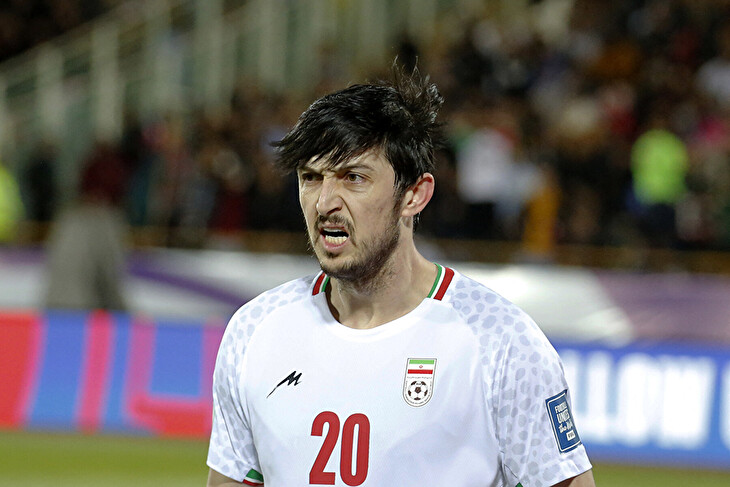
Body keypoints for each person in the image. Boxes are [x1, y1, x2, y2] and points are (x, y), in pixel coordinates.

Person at [206, 67, 595, 487]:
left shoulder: (501, 342)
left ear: (414, 195)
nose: (324, 202)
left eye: (353, 178)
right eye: (311, 178)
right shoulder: (254, 331)